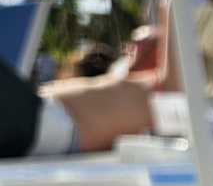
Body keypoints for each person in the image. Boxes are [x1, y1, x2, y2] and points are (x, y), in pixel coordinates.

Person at [0, 10, 180, 158]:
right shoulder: (117, 81)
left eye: (142, 41)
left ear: (159, 52)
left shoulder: (156, 90)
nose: (130, 45)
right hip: (37, 118)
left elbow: (174, 77)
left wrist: (169, 3)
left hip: (47, 124)